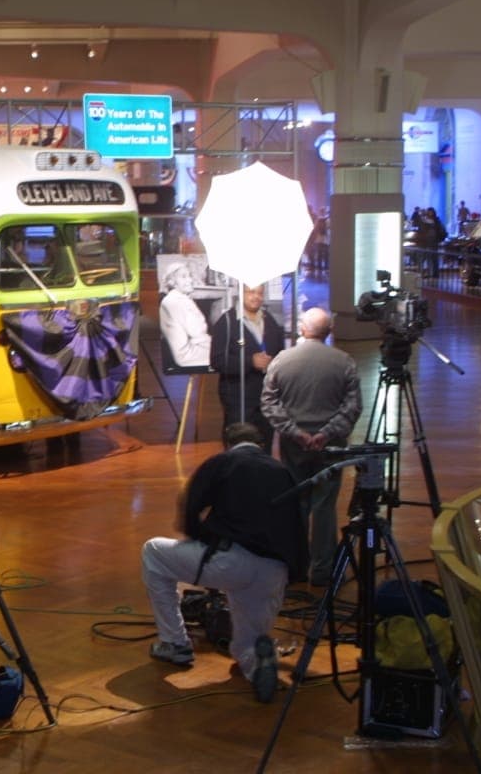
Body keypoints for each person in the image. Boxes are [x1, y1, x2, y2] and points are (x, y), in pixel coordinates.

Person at [141, 423, 306, 703]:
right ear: (261, 445)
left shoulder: (222, 462)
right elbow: (300, 526)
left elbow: (190, 509)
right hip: (274, 570)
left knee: (153, 552)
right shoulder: (283, 471)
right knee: (244, 646)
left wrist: (201, 539)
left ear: (227, 444)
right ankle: (257, 662)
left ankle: (175, 643)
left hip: (230, 562)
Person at [261, 307, 362, 585]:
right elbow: (353, 407)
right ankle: (322, 570)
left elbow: (269, 403)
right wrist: (326, 434)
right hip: (331, 447)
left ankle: (295, 566)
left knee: (297, 504)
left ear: (302, 329)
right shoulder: (344, 362)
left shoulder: (283, 360)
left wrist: (296, 433)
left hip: (295, 447)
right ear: (329, 331)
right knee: (325, 507)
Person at [209, 284, 285, 449]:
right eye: (251, 292)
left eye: (260, 293)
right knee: (239, 447)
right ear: (241, 294)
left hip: (266, 397)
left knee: (265, 445)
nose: (256, 296)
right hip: (238, 398)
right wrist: (250, 361)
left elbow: (280, 353)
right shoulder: (227, 322)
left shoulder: (270, 320)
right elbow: (217, 361)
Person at [159, 262, 211, 368]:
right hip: (189, 355)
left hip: (192, 349)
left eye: (190, 276)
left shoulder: (176, 299)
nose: (190, 280)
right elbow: (197, 331)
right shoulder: (176, 301)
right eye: (184, 277)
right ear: (172, 282)